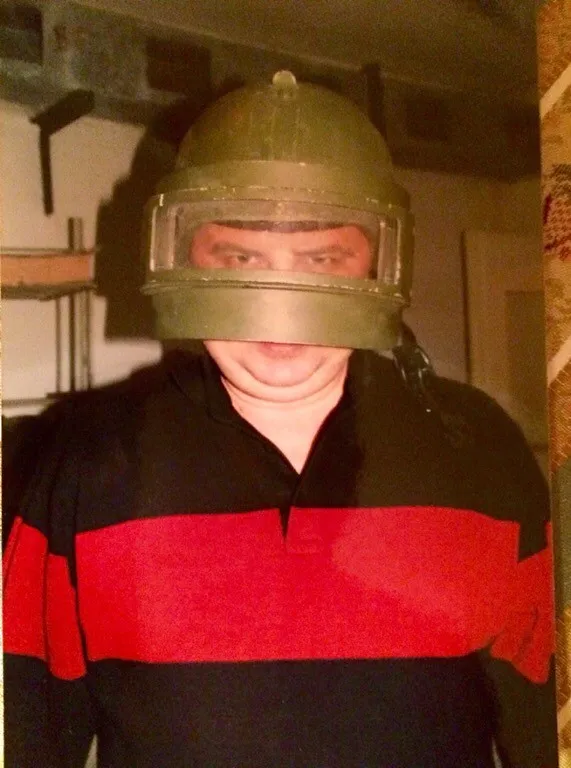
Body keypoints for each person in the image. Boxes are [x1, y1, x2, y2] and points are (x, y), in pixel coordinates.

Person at [3, 71, 556, 768]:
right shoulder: (81, 461)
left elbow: (546, 723)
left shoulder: (482, 448)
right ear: (180, 255)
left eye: (322, 260)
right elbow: (25, 734)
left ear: (380, 265)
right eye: (240, 257)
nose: (279, 308)